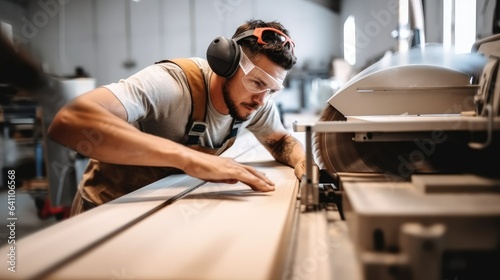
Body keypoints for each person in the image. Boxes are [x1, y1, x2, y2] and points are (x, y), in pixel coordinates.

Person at [48, 19, 306, 216]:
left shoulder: (257, 102)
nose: (261, 100)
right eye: (256, 82)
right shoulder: (171, 83)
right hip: (108, 209)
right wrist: (189, 159)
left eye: (271, 91)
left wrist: (302, 160)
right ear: (226, 63)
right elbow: (70, 120)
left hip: (164, 210)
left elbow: (279, 141)